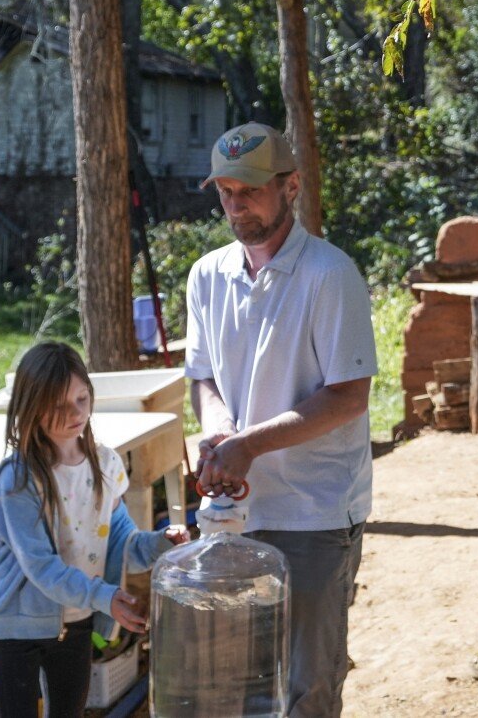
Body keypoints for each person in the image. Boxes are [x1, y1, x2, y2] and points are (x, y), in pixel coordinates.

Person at [187, 121, 378, 717]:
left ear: (291, 186)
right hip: (235, 515)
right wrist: (219, 429)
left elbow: (348, 396)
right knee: (239, 684)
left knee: (308, 687)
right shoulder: (207, 275)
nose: (235, 205)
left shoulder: (329, 274)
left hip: (314, 511)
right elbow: (204, 375)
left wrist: (246, 446)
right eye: (225, 192)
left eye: (250, 190)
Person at [0, 341, 187, 718]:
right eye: (58, 405)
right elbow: (40, 567)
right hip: (14, 632)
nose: (75, 413)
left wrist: (160, 544)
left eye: (82, 399)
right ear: (30, 406)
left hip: (76, 623)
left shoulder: (105, 465)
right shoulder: (18, 481)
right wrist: (105, 597)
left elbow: (122, 546)